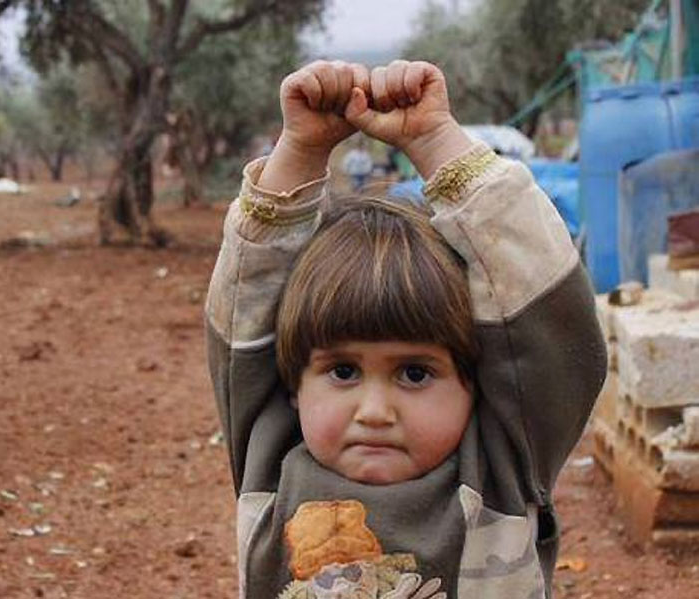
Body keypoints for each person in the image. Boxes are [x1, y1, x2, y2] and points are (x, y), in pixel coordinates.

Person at [205, 59, 607, 599]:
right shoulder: (271, 459)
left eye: (415, 373)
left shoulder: (501, 466)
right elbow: (245, 309)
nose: (374, 411)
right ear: (294, 385)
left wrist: (436, 140)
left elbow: (548, 314)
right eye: (342, 370)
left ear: (476, 382)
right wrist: (299, 153)